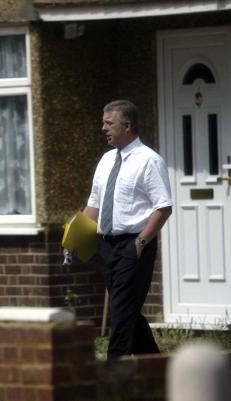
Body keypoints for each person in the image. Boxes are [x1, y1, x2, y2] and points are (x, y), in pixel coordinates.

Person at [83, 100, 173, 358]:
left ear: (127, 125)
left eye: (108, 123)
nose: (103, 128)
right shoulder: (106, 160)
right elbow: (94, 204)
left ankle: (114, 369)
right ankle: (156, 365)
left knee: (120, 311)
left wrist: (141, 242)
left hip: (134, 243)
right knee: (127, 309)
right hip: (106, 245)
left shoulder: (149, 161)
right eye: (103, 122)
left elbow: (163, 207)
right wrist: (74, 235)